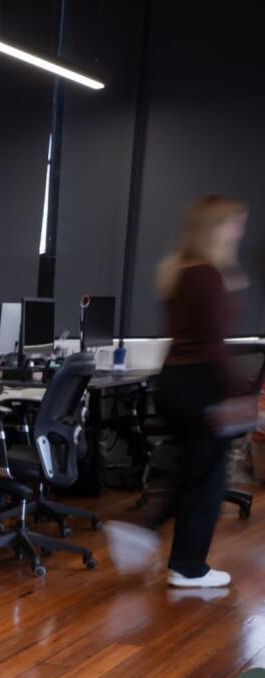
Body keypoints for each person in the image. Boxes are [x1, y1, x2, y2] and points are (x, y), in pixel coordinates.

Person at [105, 194, 252, 588]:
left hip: (173, 380)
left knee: (192, 470)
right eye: (234, 222)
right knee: (207, 478)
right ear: (214, 227)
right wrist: (238, 395)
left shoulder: (178, 271)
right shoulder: (208, 274)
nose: (239, 229)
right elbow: (213, 346)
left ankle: (145, 532)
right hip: (201, 383)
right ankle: (188, 567)